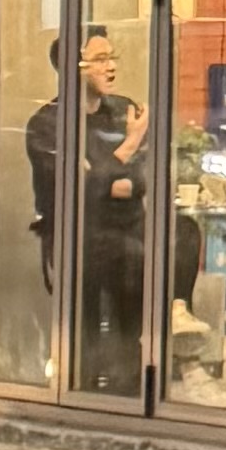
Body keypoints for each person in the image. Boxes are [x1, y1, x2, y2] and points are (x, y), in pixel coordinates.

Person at [26, 26, 151, 384]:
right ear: (72, 68)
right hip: (77, 236)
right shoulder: (47, 124)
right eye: (100, 59)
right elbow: (77, 188)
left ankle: (131, 386)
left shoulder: (124, 111)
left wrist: (103, 175)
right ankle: (85, 385)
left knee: (177, 237)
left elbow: (140, 180)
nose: (111, 67)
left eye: (112, 57)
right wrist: (128, 147)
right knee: (86, 330)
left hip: (127, 233)